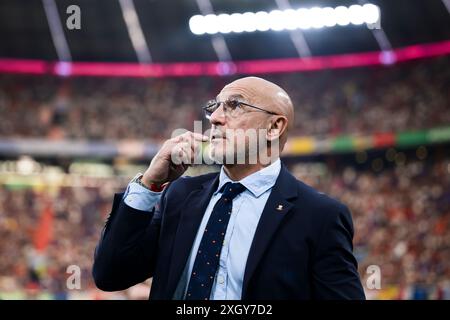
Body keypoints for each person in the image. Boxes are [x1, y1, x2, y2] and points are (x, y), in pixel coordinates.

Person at [92, 76, 365, 300]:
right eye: (215, 107)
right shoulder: (180, 195)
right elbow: (110, 274)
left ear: (274, 127)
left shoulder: (319, 215)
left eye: (234, 106)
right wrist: (149, 184)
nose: (215, 118)